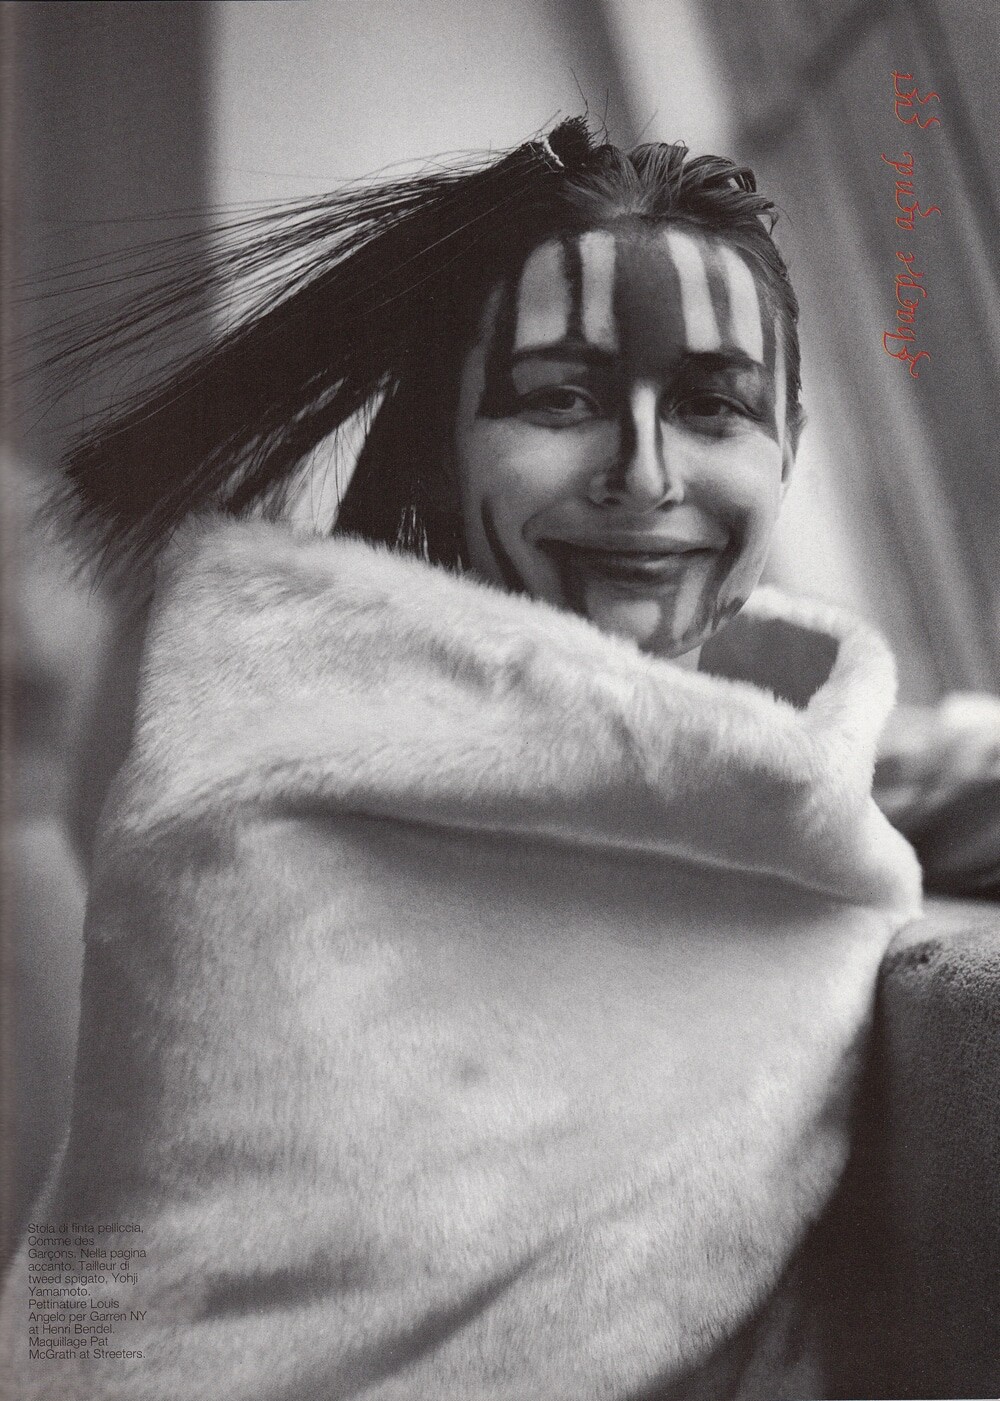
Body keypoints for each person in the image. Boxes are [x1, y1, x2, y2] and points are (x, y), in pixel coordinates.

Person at [5, 118, 921, 1400]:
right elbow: (106, 1283)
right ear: (444, 450)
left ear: (792, 442)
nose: (643, 473)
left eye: (713, 405)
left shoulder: (815, 783)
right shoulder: (255, 809)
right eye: (560, 400)